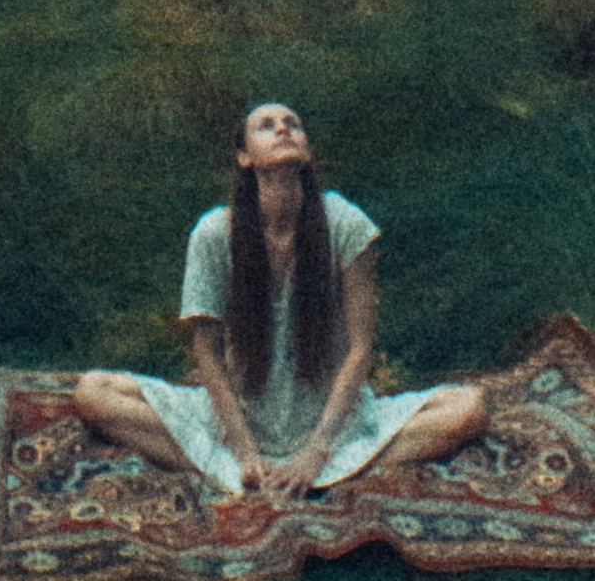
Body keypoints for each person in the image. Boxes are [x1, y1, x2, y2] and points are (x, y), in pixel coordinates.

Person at [74, 98, 490, 502]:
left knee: (468, 408)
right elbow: (207, 353)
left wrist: (317, 452)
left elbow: (361, 350)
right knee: (94, 391)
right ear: (244, 157)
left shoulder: (345, 222)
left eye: (292, 122)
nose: (283, 129)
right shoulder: (214, 233)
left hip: (328, 420)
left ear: (306, 151)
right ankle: (255, 471)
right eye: (266, 125)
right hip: (239, 416)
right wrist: (243, 450)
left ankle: (320, 471)